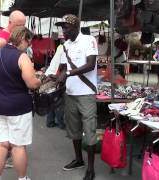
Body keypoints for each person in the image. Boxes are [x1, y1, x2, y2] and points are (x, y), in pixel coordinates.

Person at [0, 26, 41, 180]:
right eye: (28, 42)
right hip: (17, 106)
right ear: (22, 39)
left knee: (0, 144)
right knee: (18, 146)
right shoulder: (22, 57)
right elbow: (31, 83)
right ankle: (22, 179)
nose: (28, 46)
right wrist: (38, 81)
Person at [55, 14, 98, 180]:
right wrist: (55, 77)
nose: (63, 30)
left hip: (86, 94)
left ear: (76, 27)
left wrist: (68, 73)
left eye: (66, 27)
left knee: (90, 130)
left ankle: (91, 169)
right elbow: (64, 67)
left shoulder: (89, 40)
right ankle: (79, 159)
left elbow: (90, 64)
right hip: (70, 93)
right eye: (62, 27)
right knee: (74, 130)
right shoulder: (65, 45)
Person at [44, 43, 65, 129]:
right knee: (59, 102)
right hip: (54, 76)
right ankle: (61, 124)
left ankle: (50, 122)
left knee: (52, 100)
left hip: (50, 74)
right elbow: (61, 65)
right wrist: (59, 78)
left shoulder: (60, 46)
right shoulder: (66, 48)